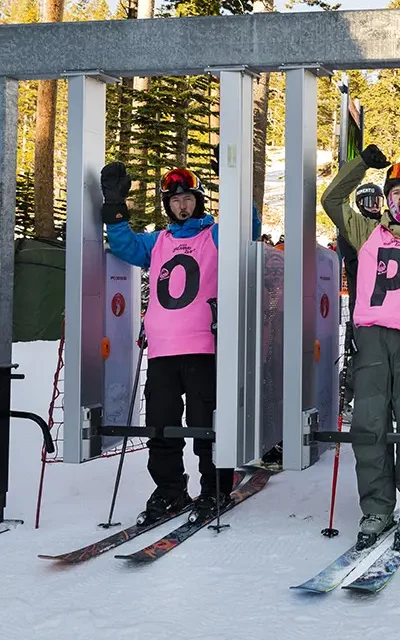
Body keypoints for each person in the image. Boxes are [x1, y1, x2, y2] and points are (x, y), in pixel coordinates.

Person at [100, 162, 260, 524]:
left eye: (187, 199)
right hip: (162, 350)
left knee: (208, 425)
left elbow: (247, 229)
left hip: (204, 348)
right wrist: (114, 205)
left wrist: (236, 179)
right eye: (174, 202)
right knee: (161, 427)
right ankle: (170, 489)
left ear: (199, 200)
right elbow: (123, 244)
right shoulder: (158, 242)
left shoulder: (216, 236)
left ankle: (215, 488)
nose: (181, 207)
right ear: (167, 206)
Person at [320, 140, 400, 551]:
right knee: (369, 426)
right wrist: (361, 164)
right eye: (395, 194)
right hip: (372, 341)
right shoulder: (366, 232)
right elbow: (332, 198)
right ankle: (376, 506)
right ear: (387, 199)